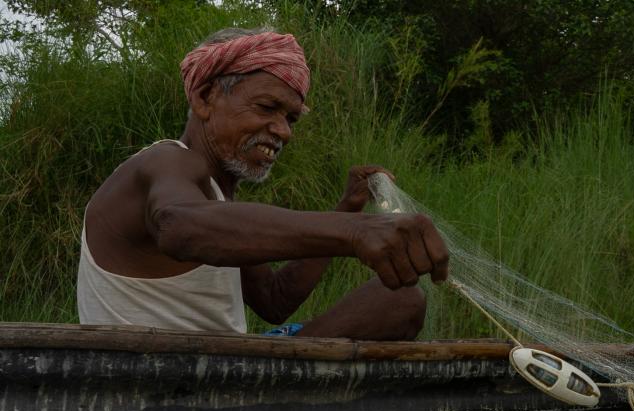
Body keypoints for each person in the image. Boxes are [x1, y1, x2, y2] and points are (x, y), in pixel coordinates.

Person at [77, 28, 448, 340]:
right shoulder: (166, 161)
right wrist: (354, 230)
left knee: (402, 301)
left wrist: (348, 207)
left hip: (224, 372)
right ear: (205, 98)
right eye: (267, 108)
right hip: (163, 382)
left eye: (291, 118)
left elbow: (274, 300)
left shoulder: (217, 202)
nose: (283, 131)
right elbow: (177, 225)